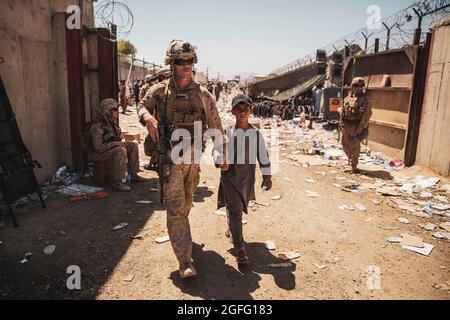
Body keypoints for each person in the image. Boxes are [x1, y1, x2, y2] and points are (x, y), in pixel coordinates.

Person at [137, 40, 228, 279]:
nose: (186, 65)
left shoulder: (202, 95)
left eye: (189, 61)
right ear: (171, 63)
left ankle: (183, 238)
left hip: (193, 159)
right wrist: (148, 118)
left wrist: (222, 153)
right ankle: (185, 261)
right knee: (176, 208)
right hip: (170, 160)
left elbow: (216, 126)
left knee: (187, 203)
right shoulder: (159, 91)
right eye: (180, 61)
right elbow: (141, 106)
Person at [218, 94, 272, 265]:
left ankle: (232, 229)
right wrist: (220, 161)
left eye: (245, 109)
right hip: (229, 178)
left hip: (246, 179)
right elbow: (218, 151)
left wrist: (267, 175)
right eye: (238, 109)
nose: (242, 112)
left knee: (238, 208)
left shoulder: (256, 134)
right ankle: (240, 248)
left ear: (250, 111)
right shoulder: (226, 132)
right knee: (236, 211)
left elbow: (263, 155)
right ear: (233, 111)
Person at [87, 99, 145, 191]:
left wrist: (120, 138)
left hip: (108, 149)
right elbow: (98, 147)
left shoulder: (111, 123)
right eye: (114, 110)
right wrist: (116, 143)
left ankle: (133, 174)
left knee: (133, 145)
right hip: (97, 154)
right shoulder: (97, 126)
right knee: (120, 151)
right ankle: (118, 181)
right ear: (107, 111)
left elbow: (114, 138)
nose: (117, 112)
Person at [340, 77, 373, 173]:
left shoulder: (365, 100)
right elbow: (343, 111)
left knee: (355, 145)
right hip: (346, 125)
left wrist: (360, 127)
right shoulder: (347, 99)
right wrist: (341, 122)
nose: (359, 88)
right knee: (345, 144)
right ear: (352, 87)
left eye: (361, 86)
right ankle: (349, 161)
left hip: (356, 125)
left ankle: (353, 165)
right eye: (357, 86)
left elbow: (367, 114)